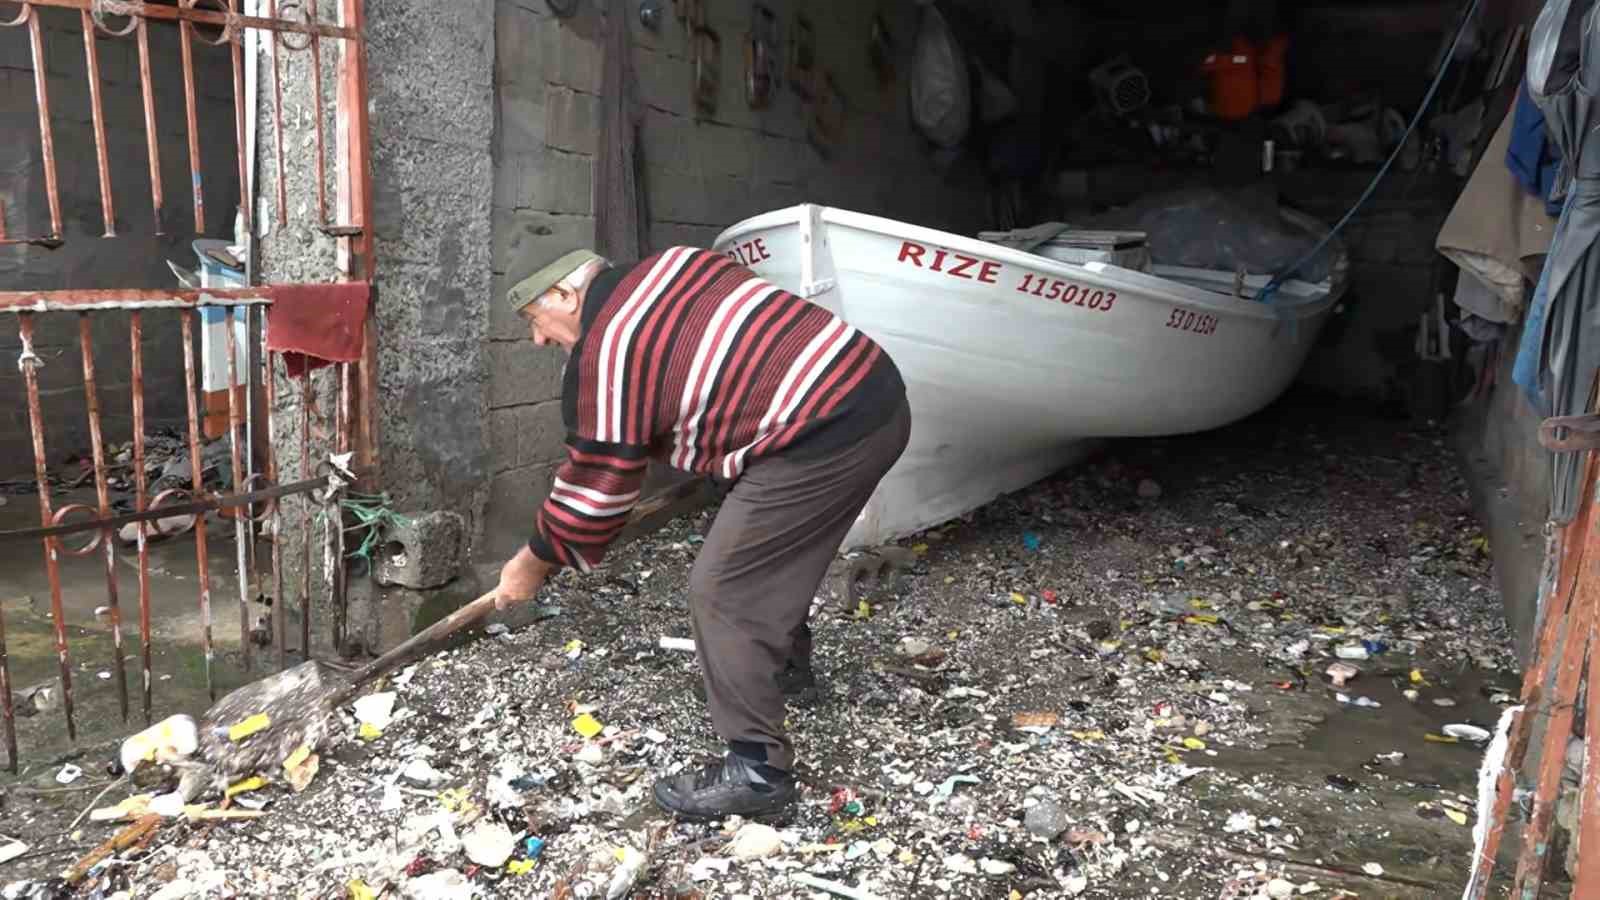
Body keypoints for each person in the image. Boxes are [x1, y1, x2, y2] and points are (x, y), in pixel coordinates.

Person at [493, 246, 910, 819]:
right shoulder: (675, 263)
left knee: (724, 590)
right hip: (875, 394)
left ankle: (758, 772)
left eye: (535, 320)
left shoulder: (609, 348)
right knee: (770, 551)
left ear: (566, 294)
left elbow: (595, 491)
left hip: (822, 433)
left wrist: (529, 565)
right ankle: (778, 671)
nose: (538, 339)